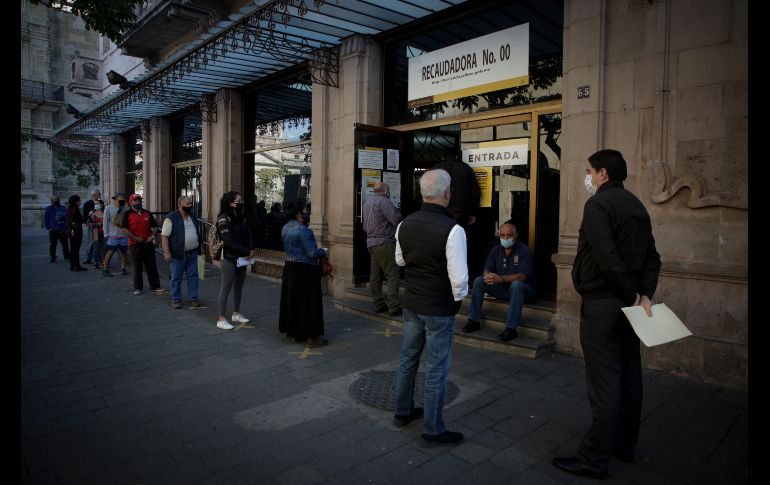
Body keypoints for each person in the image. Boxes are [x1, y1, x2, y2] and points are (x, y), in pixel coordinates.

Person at [552, 149, 661, 480]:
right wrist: (643, 295)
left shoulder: (598, 204)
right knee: (629, 376)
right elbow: (653, 258)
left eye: (588, 171)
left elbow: (605, 256)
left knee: (604, 384)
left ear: (603, 174)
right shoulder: (637, 206)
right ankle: (623, 446)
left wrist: (630, 293)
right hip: (629, 304)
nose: (586, 177)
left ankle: (593, 457)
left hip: (605, 304)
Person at [393, 169, 468, 446]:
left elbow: (400, 261)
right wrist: (457, 300)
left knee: (408, 358)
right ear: (447, 193)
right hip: (438, 306)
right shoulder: (453, 230)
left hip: (412, 301)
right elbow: (459, 280)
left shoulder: (405, 223)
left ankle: (403, 411)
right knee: (437, 368)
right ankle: (433, 429)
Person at [462, 223, 537, 341]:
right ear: (499, 235)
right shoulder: (496, 250)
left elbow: (523, 276)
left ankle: (511, 328)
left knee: (517, 285)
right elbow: (487, 268)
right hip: (504, 290)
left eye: (509, 235)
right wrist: (487, 275)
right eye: (502, 235)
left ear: (516, 235)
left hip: (524, 292)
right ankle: (473, 320)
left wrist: (501, 279)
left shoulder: (524, 250)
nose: (506, 238)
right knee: (479, 280)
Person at [278, 198, 328, 347]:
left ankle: (294, 332)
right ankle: (311, 337)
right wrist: (323, 251)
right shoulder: (304, 230)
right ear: (299, 214)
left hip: (290, 267)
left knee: (294, 301)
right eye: (305, 211)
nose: (307, 214)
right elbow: (312, 253)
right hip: (305, 270)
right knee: (309, 303)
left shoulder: (285, 227)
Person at [215, 191, 254, 330]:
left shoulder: (240, 217)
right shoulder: (223, 218)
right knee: (226, 287)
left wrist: (250, 249)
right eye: (238, 201)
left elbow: (249, 234)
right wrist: (246, 251)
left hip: (242, 258)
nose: (240, 203)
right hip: (229, 258)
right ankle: (221, 318)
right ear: (230, 203)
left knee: (239, 287)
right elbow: (228, 241)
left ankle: (235, 313)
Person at [362, 182, 402, 316]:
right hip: (385, 242)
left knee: (375, 275)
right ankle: (393, 306)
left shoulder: (367, 203)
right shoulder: (384, 202)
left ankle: (378, 303)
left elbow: (365, 226)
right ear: (386, 192)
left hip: (371, 242)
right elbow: (396, 219)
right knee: (392, 274)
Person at [161, 195, 203, 309]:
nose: (189, 206)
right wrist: (167, 253)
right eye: (187, 204)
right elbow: (164, 236)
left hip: (192, 252)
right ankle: (176, 299)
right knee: (176, 277)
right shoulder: (171, 218)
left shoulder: (193, 217)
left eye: (190, 204)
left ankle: (193, 298)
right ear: (180, 204)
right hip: (177, 253)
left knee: (193, 276)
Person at [122, 193, 166, 295]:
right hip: (134, 244)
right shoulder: (127, 214)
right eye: (135, 200)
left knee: (151, 265)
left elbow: (155, 226)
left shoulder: (147, 213)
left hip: (148, 243)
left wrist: (153, 236)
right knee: (136, 267)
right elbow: (124, 229)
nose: (138, 202)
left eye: (139, 200)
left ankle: (155, 286)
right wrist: (135, 238)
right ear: (130, 202)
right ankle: (138, 288)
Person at [431, 156, 480, 229]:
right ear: (457, 156)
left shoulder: (435, 169)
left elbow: (430, 191)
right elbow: (475, 191)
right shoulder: (465, 168)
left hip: (440, 213)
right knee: (459, 237)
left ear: (442, 157)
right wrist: (473, 212)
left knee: (441, 237)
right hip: (461, 214)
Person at [101, 192, 129, 277]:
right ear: (116, 198)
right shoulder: (108, 208)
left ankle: (123, 268)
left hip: (124, 235)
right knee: (110, 252)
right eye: (121, 197)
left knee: (123, 252)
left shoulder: (126, 208)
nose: (122, 198)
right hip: (113, 234)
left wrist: (128, 208)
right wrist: (105, 233)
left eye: (123, 197)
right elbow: (105, 221)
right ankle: (105, 269)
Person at [44, 195, 69, 263]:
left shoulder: (64, 208)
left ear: (59, 200)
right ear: (51, 201)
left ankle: (66, 257)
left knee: (65, 244)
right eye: (54, 200)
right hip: (53, 230)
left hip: (63, 230)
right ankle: (53, 257)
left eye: (57, 199)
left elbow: (67, 218)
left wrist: (62, 218)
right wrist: (48, 227)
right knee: (53, 244)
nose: (55, 201)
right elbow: (46, 219)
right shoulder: (48, 208)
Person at [65, 194, 87, 271]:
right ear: (76, 201)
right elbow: (80, 220)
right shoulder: (75, 209)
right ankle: (77, 266)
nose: (80, 202)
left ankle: (72, 265)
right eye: (79, 200)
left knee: (73, 248)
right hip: (76, 231)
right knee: (76, 249)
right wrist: (88, 216)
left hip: (70, 230)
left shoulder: (68, 208)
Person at [81, 189, 101, 265]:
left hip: (100, 225)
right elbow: (85, 217)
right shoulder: (87, 204)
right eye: (98, 195)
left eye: (99, 194)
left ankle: (98, 258)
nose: (99, 196)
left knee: (99, 243)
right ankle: (89, 258)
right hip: (92, 226)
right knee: (91, 242)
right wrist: (90, 216)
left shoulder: (101, 203)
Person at [86, 198, 105, 269]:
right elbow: (88, 224)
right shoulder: (92, 213)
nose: (96, 205)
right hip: (95, 233)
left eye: (98, 204)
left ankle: (104, 262)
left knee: (105, 248)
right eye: (95, 204)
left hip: (104, 233)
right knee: (96, 248)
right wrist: (97, 224)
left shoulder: (105, 213)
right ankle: (96, 262)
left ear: (102, 205)